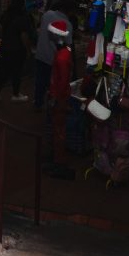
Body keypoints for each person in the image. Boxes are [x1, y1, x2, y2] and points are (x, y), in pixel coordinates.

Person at [47, 19, 74, 178]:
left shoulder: (62, 57)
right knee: (58, 129)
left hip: (59, 98)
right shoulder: (64, 53)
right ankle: (58, 159)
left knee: (58, 130)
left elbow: (62, 82)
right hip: (59, 95)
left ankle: (59, 161)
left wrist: (56, 98)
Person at [33, 2, 73, 110]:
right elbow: (68, 45)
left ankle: (38, 103)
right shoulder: (67, 24)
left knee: (39, 81)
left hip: (40, 53)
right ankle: (51, 106)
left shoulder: (47, 14)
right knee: (52, 83)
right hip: (53, 58)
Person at [0, 0, 32, 102]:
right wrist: (28, 50)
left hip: (5, 47)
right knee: (16, 72)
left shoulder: (6, 14)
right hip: (17, 49)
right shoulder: (22, 17)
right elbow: (24, 36)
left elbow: (0, 27)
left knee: (4, 70)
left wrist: (4, 37)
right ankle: (15, 94)